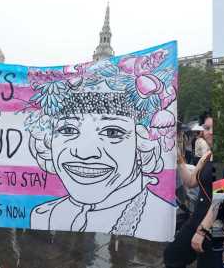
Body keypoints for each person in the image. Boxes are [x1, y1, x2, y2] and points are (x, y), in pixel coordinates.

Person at [25, 51, 177, 241]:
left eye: (112, 132)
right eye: (68, 130)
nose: (84, 152)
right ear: (49, 142)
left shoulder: (157, 217)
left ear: (141, 144)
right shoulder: (42, 215)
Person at [164, 116, 217, 268]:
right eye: (206, 128)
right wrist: (179, 159)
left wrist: (202, 231)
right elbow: (191, 182)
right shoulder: (207, 156)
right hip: (197, 218)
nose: (210, 132)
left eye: (214, 128)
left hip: (211, 223)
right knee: (172, 256)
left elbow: (220, 200)